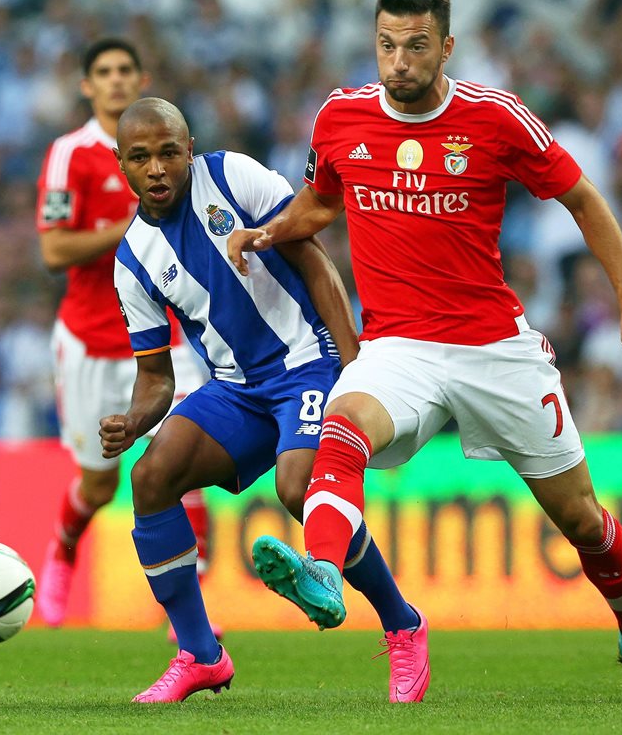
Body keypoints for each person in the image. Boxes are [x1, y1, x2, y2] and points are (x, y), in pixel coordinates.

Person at [227, 0, 622, 703]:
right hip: (399, 348)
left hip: (494, 348)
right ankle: (324, 573)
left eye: (417, 47)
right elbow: (323, 200)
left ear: (447, 45)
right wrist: (271, 231)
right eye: (387, 46)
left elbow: (582, 197)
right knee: (343, 429)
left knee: (581, 518)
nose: (400, 62)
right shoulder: (341, 118)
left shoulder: (496, 117)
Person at [99, 98, 428, 703]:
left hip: (309, 361)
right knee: (150, 477)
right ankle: (201, 655)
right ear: (121, 164)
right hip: (236, 388)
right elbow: (155, 380)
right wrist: (132, 421)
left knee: (299, 487)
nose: (157, 169)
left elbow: (315, 261)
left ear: (189, 146)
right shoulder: (131, 261)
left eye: (169, 152)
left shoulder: (232, 177)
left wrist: (355, 365)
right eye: (140, 158)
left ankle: (403, 625)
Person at [34, 38, 212, 630]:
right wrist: (128, 229)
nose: (115, 81)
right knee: (99, 484)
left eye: (125, 71)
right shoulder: (72, 154)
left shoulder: (168, 155)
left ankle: (189, 616)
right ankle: (62, 552)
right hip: (90, 343)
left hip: (166, 341)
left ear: (141, 79)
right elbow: (54, 249)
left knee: (184, 462)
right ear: (87, 85)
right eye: (103, 73)